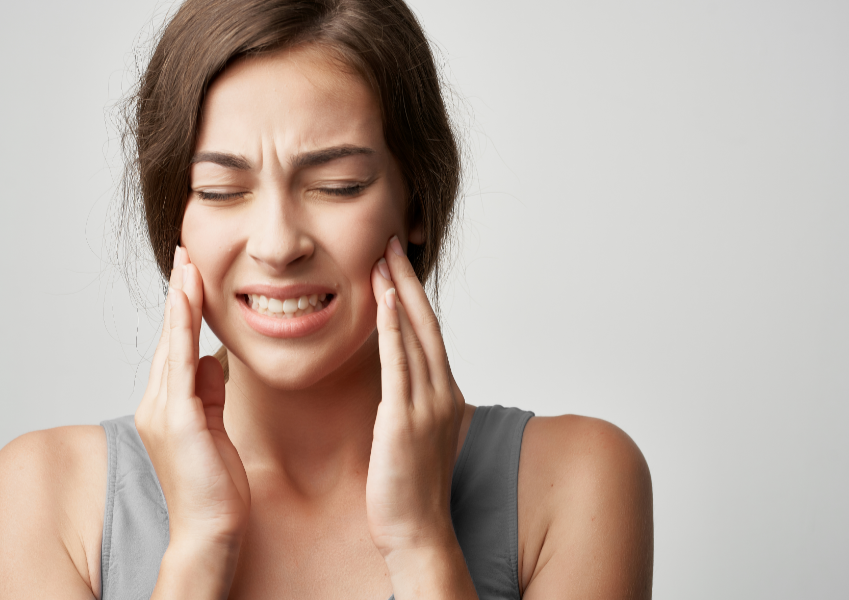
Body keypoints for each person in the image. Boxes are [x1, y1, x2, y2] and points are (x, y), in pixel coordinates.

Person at [0, 0, 653, 598]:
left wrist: (423, 545)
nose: (278, 245)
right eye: (222, 191)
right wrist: (198, 548)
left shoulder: (575, 481)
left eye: (337, 185)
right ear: (175, 217)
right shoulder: (48, 494)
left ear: (416, 203)